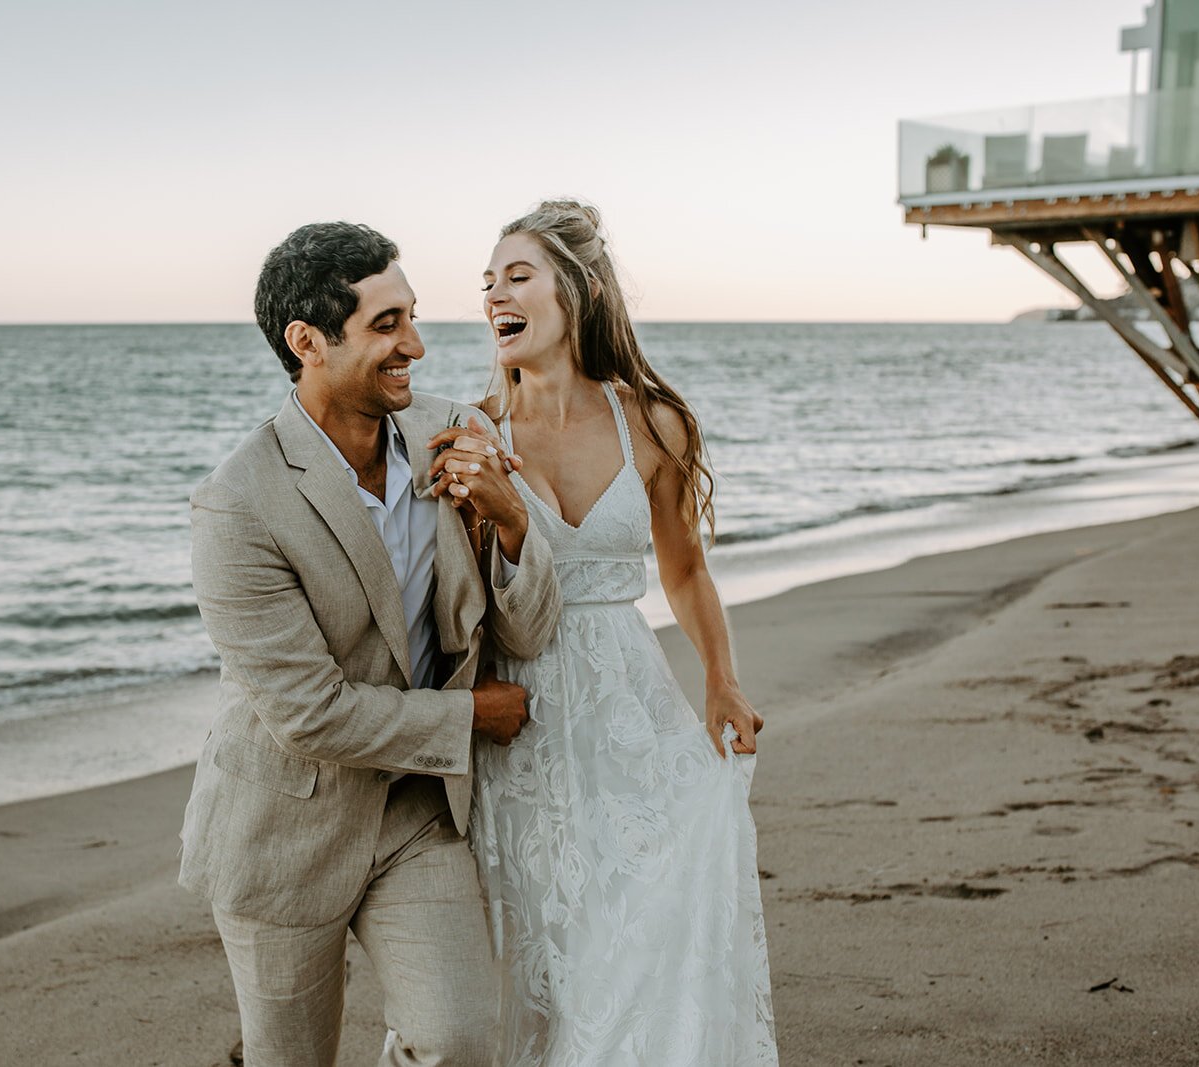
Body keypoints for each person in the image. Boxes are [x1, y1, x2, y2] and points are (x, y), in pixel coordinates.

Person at [178, 220, 561, 1067]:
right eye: (386, 326)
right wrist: (465, 716)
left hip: (420, 814)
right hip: (282, 826)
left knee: (459, 1042)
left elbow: (528, 628)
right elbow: (308, 714)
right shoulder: (237, 504)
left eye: (412, 317)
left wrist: (509, 518)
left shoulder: (454, 431)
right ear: (307, 341)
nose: (416, 346)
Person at [436, 200, 778, 1064]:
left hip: (627, 704)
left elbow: (686, 569)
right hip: (520, 723)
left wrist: (721, 678)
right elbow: (455, 600)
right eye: (487, 282)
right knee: (542, 954)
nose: (495, 296)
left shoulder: (652, 422)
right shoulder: (473, 431)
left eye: (518, 275)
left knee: (641, 929)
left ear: (578, 291)